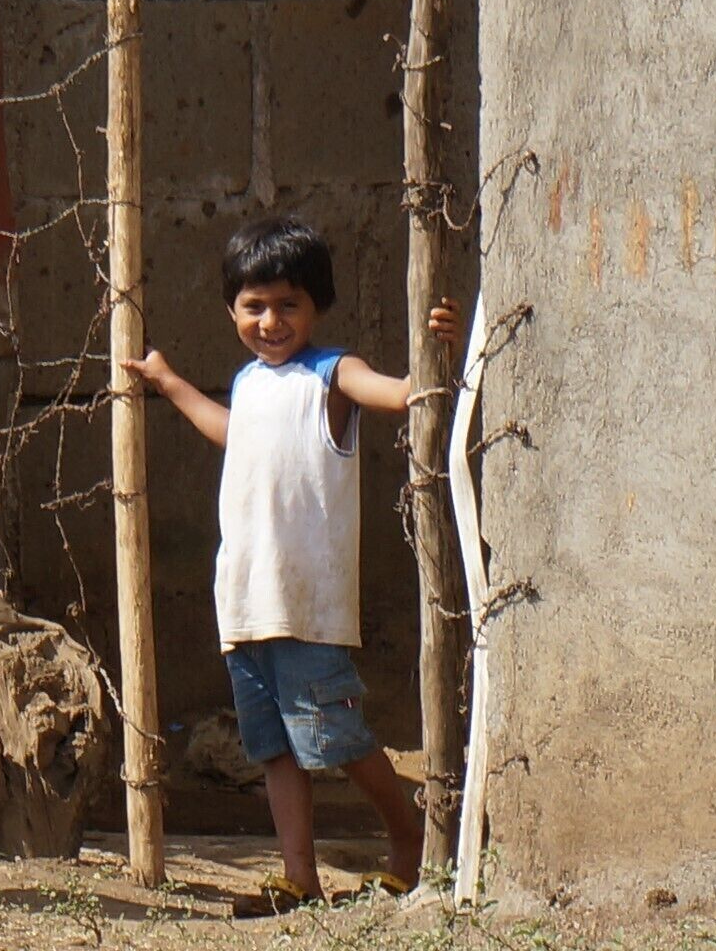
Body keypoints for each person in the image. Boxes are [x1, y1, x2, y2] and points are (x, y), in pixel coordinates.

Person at [122, 216, 457, 916]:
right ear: (231, 309)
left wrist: (436, 351)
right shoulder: (248, 384)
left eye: (288, 305)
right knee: (273, 747)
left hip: (305, 608)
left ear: (317, 307)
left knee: (339, 738)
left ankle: (415, 841)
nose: (271, 321)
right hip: (243, 603)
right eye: (254, 306)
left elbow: (401, 394)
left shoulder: (333, 374)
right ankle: (298, 877)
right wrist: (168, 382)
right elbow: (229, 432)